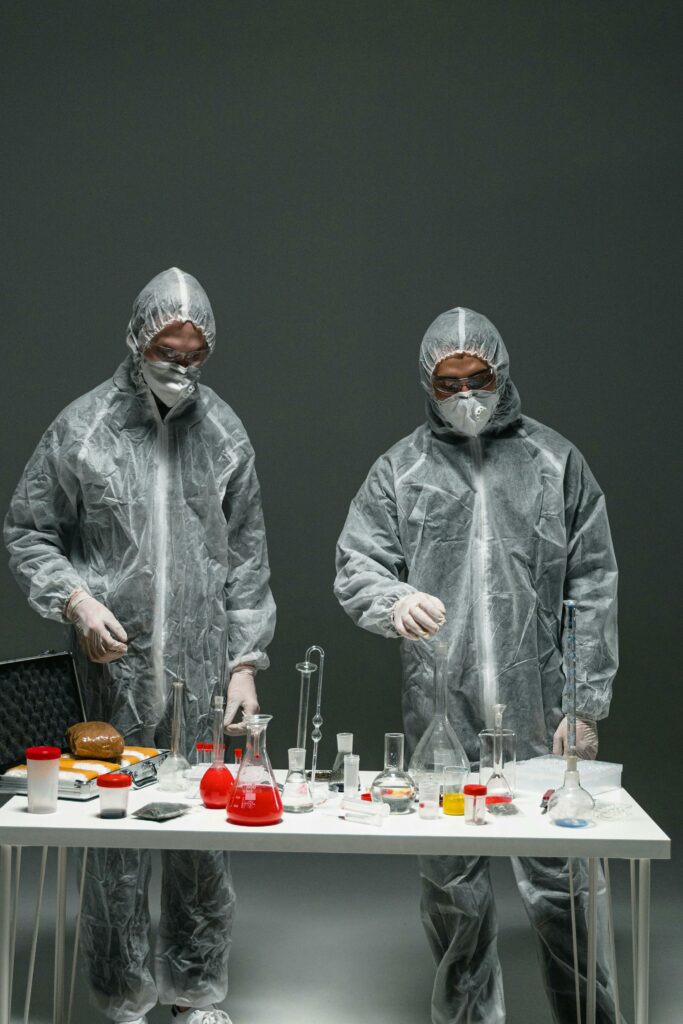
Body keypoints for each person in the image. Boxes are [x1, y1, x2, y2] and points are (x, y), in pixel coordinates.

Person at [5, 267, 276, 1024]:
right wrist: (77, 600)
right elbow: (29, 531)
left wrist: (244, 665)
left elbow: (247, 559)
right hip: (110, 670)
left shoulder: (223, 433)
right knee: (114, 833)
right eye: (166, 350)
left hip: (201, 671)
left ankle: (195, 995)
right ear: (136, 339)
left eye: (194, 354)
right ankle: (122, 998)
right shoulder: (84, 428)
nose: (180, 366)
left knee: (202, 829)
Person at [334, 307, 619, 1023]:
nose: (465, 394)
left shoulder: (554, 462)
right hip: (442, 706)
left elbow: (591, 585)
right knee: (452, 886)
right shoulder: (401, 470)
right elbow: (357, 564)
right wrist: (394, 599)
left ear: (501, 372)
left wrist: (583, 704)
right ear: (427, 386)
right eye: (448, 382)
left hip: (541, 708)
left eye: (478, 378)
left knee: (565, 884)